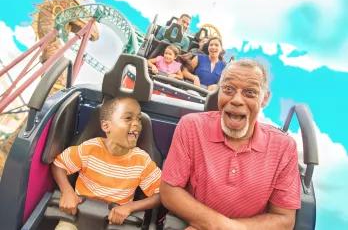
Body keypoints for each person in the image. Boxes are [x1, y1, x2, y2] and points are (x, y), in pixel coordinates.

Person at [160, 59, 301, 230]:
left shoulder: (284, 147)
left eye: (249, 93)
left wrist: (224, 228)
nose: (236, 100)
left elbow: (284, 220)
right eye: (228, 89)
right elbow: (169, 192)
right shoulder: (191, 126)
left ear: (265, 98)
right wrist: (214, 224)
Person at [51, 97, 161, 230]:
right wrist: (68, 192)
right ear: (106, 126)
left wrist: (129, 207)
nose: (137, 124)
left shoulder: (141, 161)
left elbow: (161, 194)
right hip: (78, 214)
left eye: (138, 119)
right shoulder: (90, 148)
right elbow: (59, 165)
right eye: (128, 118)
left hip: (116, 223)